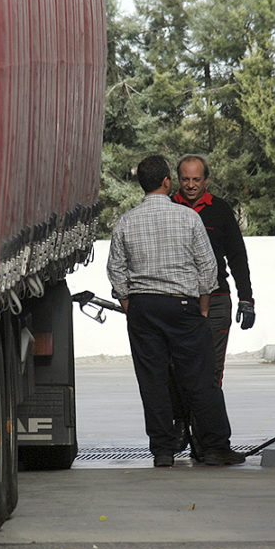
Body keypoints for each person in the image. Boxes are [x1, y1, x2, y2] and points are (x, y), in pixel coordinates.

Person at [106, 154, 247, 468]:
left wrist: (129, 305)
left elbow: (116, 269)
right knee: (201, 378)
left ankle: (163, 450)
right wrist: (203, 307)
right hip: (183, 305)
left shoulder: (127, 221)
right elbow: (208, 268)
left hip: (143, 307)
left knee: (154, 381)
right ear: (167, 181)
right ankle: (214, 447)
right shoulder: (188, 218)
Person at [172, 154, 255, 385]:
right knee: (178, 369)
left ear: (206, 180)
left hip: (217, 299)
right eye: (186, 179)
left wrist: (246, 299)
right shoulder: (169, 208)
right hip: (177, 300)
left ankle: (209, 409)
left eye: (196, 179)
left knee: (212, 370)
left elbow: (237, 256)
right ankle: (182, 410)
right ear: (178, 179)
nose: (190, 185)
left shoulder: (220, 209)